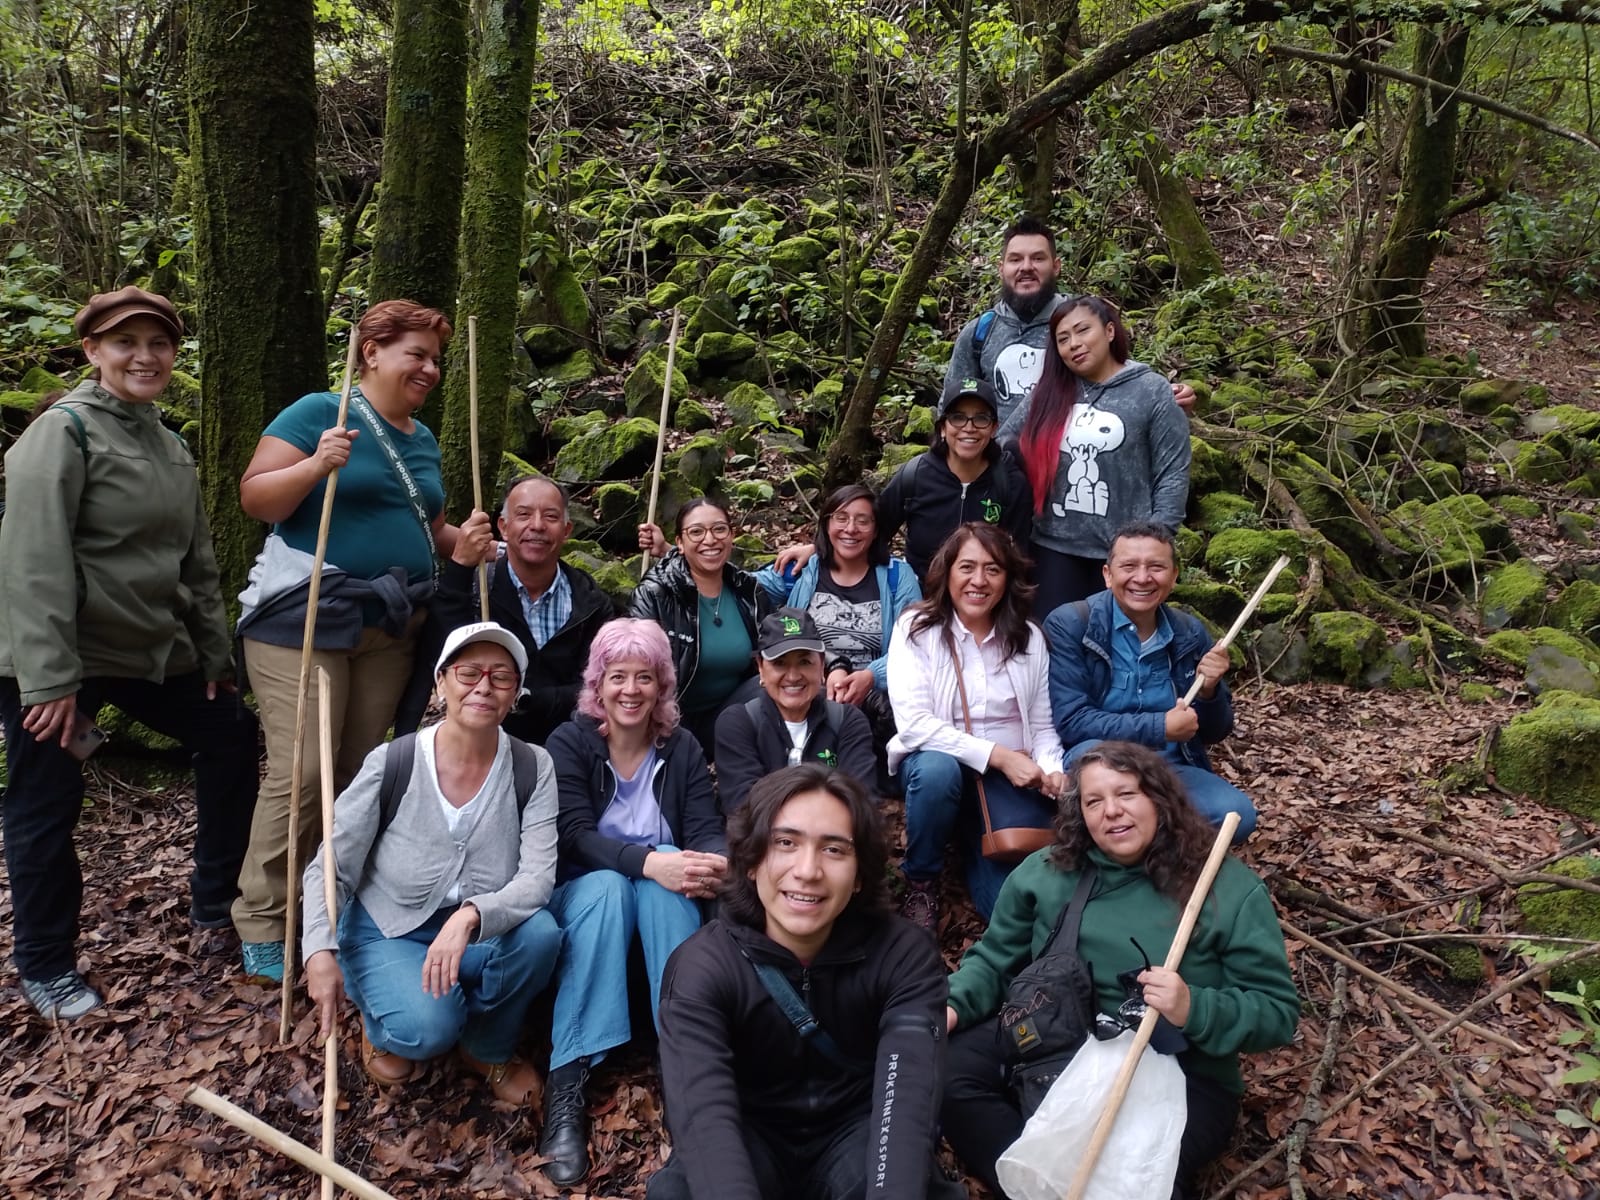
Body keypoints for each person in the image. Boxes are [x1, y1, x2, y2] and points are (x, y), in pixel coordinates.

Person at [0, 287, 259, 1021]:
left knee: (231, 735)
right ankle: (45, 964)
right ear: (93, 351)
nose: (145, 357)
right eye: (125, 342)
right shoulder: (62, 433)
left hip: (147, 648)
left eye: (159, 343)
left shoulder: (168, 444)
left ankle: (216, 902)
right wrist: (49, 681)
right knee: (46, 800)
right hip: (58, 657)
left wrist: (213, 658)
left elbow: (196, 562)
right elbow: (31, 560)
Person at [940, 742, 1298, 1199]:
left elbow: (1276, 1012)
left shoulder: (1225, 888)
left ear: (1159, 799)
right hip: (1058, 1040)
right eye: (1094, 801)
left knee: (1131, 1176)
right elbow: (994, 961)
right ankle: (1033, 1187)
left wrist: (1194, 1007)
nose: (1111, 811)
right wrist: (952, 1006)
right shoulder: (1045, 873)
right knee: (947, 1073)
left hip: (1180, 1070)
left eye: (1127, 793)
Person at [232, 299, 460, 985]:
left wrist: (469, 543)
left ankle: (327, 904)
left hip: (388, 628)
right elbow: (256, 497)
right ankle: (264, 918)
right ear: (371, 352)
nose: (429, 369)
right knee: (305, 770)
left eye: (436, 359)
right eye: (416, 354)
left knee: (359, 774)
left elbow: (428, 529)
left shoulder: (423, 438)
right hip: (304, 618)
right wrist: (315, 466)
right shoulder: (318, 412)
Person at [648, 765, 961, 1200]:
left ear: (860, 875)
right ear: (752, 861)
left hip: (859, 1133)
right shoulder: (703, 966)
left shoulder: (902, 956)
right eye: (786, 843)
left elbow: (906, 1103)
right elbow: (705, 1122)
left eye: (834, 849)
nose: (808, 870)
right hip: (748, 1136)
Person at [301, 622, 560, 1103]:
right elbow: (331, 866)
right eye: (468, 672)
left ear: (515, 694)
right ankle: (385, 1022)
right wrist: (318, 949)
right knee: (426, 1030)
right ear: (441, 682)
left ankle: (486, 1045)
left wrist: (470, 916)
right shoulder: (393, 762)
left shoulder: (533, 766)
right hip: (389, 927)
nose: (484, 686)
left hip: (478, 931)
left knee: (540, 934)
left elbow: (538, 877)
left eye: (501, 676)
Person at [539, 619, 727, 1187]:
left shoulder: (680, 746)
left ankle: (687, 1070)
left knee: (667, 867)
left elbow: (704, 826)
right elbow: (573, 835)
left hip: (659, 899)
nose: (630, 689)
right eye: (617, 676)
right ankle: (568, 1080)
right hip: (585, 898)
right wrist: (652, 863)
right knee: (613, 884)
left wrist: (713, 862)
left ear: (661, 684)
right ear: (597, 683)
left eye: (644, 677)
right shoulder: (569, 742)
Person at [886, 524, 1065, 930]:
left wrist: (1052, 768)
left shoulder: (1028, 637)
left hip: (1007, 788)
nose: (979, 581)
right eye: (967, 567)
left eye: (992, 569)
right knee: (937, 770)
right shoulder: (918, 629)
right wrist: (998, 756)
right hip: (941, 769)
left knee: (1009, 908)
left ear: (1008, 578)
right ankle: (921, 880)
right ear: (947, 572)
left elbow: (1042, 726)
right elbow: (914, 724)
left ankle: (972, 847)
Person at [1044, 523, 1257, 840]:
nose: (1142, 578)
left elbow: (1216, 731)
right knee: (1103, 779)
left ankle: (1152, 841)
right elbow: (1073, 721)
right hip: (1100, 763)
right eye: (1129, 566)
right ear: (1108, 574)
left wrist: (1209, 690)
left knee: (1236, 815)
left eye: (1156, 567)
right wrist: (1160, 727)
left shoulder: (1189, 631)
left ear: (1173, 576)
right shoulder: (1072, 623)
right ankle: (1145, 841)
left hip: (1169, 768)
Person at [1004, 296, 1192, 616]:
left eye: (1083, 331)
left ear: (1109, 331)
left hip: (1127, 553)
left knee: (1121, 638)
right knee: (1055, 637)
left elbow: (1172, 472)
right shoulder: (1049, 391)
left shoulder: (1151, 391)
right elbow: (1003, 443)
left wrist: (1156, 541)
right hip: (1053, 547)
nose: (1074, 344)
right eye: (1063, 339)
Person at [944, 216, 1193, 426]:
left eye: (1038, 258)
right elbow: (952, 407)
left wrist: (1167, 394)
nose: (1026, 267)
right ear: (1001, 268)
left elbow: (1120, 378)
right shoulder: (979, 333)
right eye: (1016, 259)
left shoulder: (1083, 321)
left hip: (1073, 453)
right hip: (1001, 460)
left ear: (1056, 266)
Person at [775, 382, 1031, 585]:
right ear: (943, 428)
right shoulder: (916, 475)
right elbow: (873, 531)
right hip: (921, 598)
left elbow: (1019, 557)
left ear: (994, 428)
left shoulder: (1009, 483)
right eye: (958, 418)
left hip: (982, 600)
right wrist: (819, 549)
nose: (969, 427)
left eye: (981, 419)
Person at [435, 474, 616, 745]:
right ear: (503, 527)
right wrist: (460, 566)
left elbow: (597, 687)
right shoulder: (476, 591)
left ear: (567, 530)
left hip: (569, 746)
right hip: (483, 743)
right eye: (524, 514)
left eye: (551, 517)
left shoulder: (591, 602)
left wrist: (530, 699)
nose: (537, 525)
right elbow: (444, 654)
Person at [632, 497, 771, 760]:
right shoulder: (656, 594)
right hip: (668, 719)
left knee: (779, 681)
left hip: (728, 715)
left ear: (731, 536)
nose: (710, 539)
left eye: (719, 529)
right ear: (680, 543)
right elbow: (635, 668)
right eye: (696, 532)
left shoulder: (748, 591)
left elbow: (775, 650)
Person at [713, 609, 878, 816]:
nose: (793, 676)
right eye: (779, 663)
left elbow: (862, 805)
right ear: (761, 668)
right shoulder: (738, 724)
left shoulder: (848, 722)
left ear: (821, 666)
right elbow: (744, 811)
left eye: (804, 662)